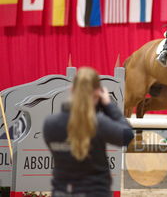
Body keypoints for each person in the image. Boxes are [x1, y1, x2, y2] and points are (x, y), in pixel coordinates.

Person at [43, 67, 134, 197]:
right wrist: (109, 106)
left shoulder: (50, 124)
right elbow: (127, 136)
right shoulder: (98, 123)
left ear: (71, 89)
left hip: (61, 192)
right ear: (98, 93)